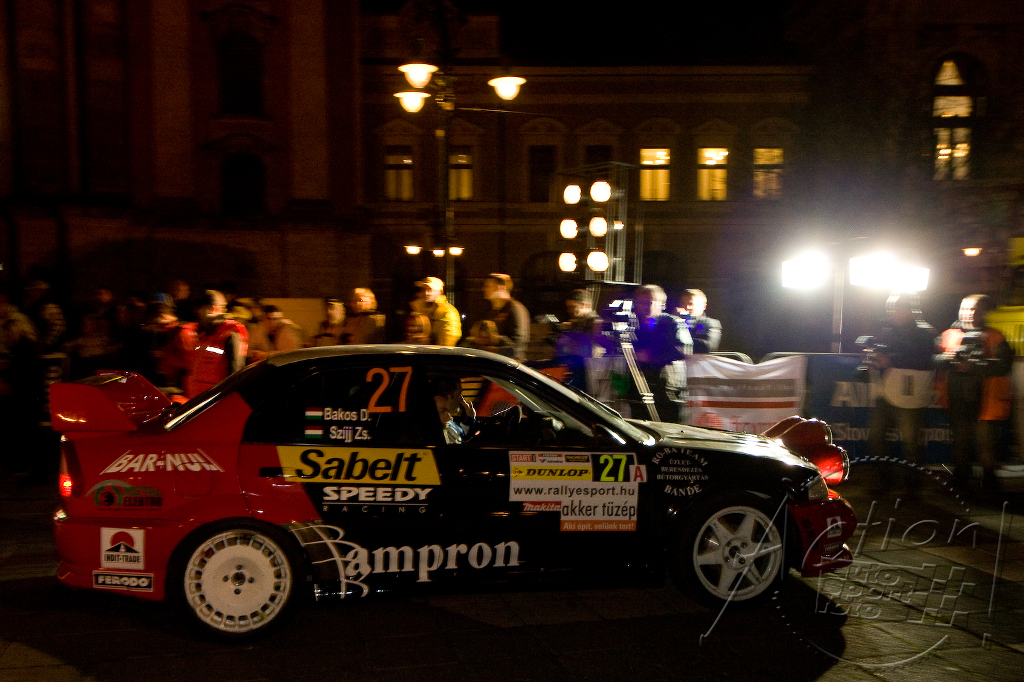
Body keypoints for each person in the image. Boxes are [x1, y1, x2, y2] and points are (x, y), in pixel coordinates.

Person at [935, 294, 1012, 496]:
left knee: (986, 446)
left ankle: (989, 483)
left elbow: (1004, 365)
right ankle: (961, 480)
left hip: (986, 403)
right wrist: (949, 360)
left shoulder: (995, 336)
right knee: (960, 444)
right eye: (965, 309)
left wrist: (974, 366)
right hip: (957, 401)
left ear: (984, 312)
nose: (969, 313)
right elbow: (933, 360)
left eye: (974, 309)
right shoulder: (948, 335)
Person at [865, 292, 935, 488]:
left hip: (910, 397)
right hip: (885, 392)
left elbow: (924, 359)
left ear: (910, 310)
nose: (892, 313)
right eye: (890, 309)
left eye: (897, 309)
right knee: (876, 439)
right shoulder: (885, 331)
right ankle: (883, 481)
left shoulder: (925, 333)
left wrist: (891, 360)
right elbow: (879, 353)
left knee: (911, 444)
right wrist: (872, 359)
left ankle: (912, 486)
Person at [627, 284, 692, 423]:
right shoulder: (630, 324)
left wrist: (651, 356)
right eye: (642, 302)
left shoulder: (673, 323)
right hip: (637, 387)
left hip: (666, 387)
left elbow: (684, 349)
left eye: (651, 302)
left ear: (662, 304)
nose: (647, 306)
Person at [172, 290, 249, 398]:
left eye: (199, 310)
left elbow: (236, 374)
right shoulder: (206, 333)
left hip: (215, 402)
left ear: (213, 309)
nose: (197, 314)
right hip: (197, 401)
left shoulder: (230, 334)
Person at [483, 273, 530, 360]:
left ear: (500, 287)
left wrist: (490, 350)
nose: (484, 289)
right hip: (497, 362)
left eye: (488, 286)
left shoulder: (515, 309)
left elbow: (518, 346)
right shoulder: (493, 312)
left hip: (511, 365)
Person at [411, 277, 461, 346]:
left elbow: (448, 341)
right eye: (423, 289)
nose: (426, 293)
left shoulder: (448, 313)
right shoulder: (419, 309)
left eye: (430, 290)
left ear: (440, 292)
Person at [431, 376, 476, 444]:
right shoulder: (437, 429)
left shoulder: (448, 422)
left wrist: (470, 418)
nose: (461, 398)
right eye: (459, 394)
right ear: (448, 397)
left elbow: (459, 436)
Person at [677, 289, 721, 354]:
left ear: (703, 306)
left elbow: (708, 347)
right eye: (683, 303)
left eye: (691, 304)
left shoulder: (710, 323)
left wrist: (678, 339)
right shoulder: (674, 321)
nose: (687, 307)